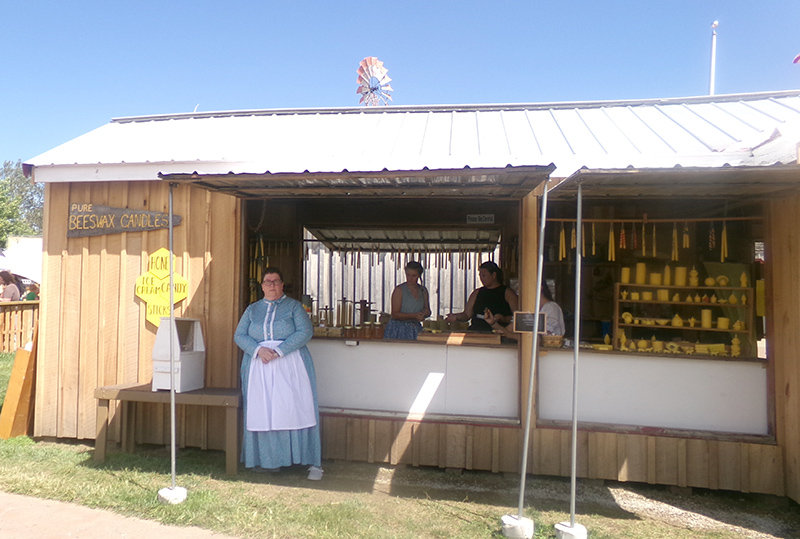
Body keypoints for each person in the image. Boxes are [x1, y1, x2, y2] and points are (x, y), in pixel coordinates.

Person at [234, 267, 323, 480]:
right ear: (262, 286)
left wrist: (279, 351)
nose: (272, 284)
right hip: (259, 365)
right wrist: (259, 350)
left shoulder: (294, 307)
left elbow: (305, 332)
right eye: (267, 281)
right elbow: (239, 335)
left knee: (293, 409)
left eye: (276, 281)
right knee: (264, 411)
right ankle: (267, 460)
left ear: (282, 285)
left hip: (290, 364)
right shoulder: (252, 310)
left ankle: (303, 458)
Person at [445, 261, 518, 332]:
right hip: (476, 332)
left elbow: (517, 317)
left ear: (494, 275)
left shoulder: (508, 293)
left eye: (484, 275)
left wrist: (504, 318)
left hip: (498, 334)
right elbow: (467, 314)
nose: (481, 279)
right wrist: (456, 317)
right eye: (480, 276)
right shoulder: (477, 293)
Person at [383, 261, 431, 340]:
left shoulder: (423, 290)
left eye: (414, 276)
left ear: (419, 276)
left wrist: (424, 314)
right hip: (398, 329)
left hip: (415, 328)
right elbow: (395, 314)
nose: (410, 278)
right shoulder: (399, 290)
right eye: (408, 275)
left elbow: (428, 310)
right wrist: (414, 315)